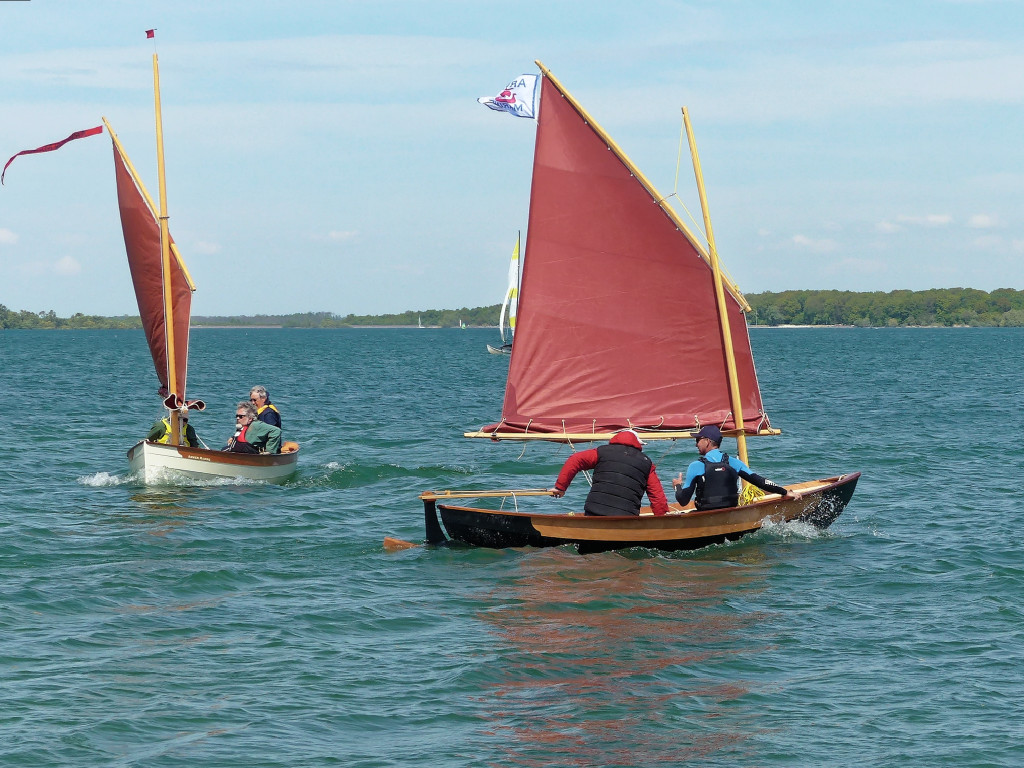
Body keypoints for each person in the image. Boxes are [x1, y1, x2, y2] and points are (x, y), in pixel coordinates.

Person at [673, 425, 801, 510]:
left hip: (707, 515)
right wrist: (785, 492)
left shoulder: (696, 466)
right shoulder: (733, 463)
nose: (696, 444)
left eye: (697, 440)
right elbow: (760, 481)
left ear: (707, 441)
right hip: (730, 513)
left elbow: (683, 501)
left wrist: (677, 486)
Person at [550, 429, 670, 516]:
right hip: (626, 518)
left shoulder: (601, 452)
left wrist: (560, 487)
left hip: (594, 512)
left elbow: (575, 460)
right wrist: (661, 516)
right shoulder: (647, 463)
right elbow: (657, 495)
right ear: (638, 444)